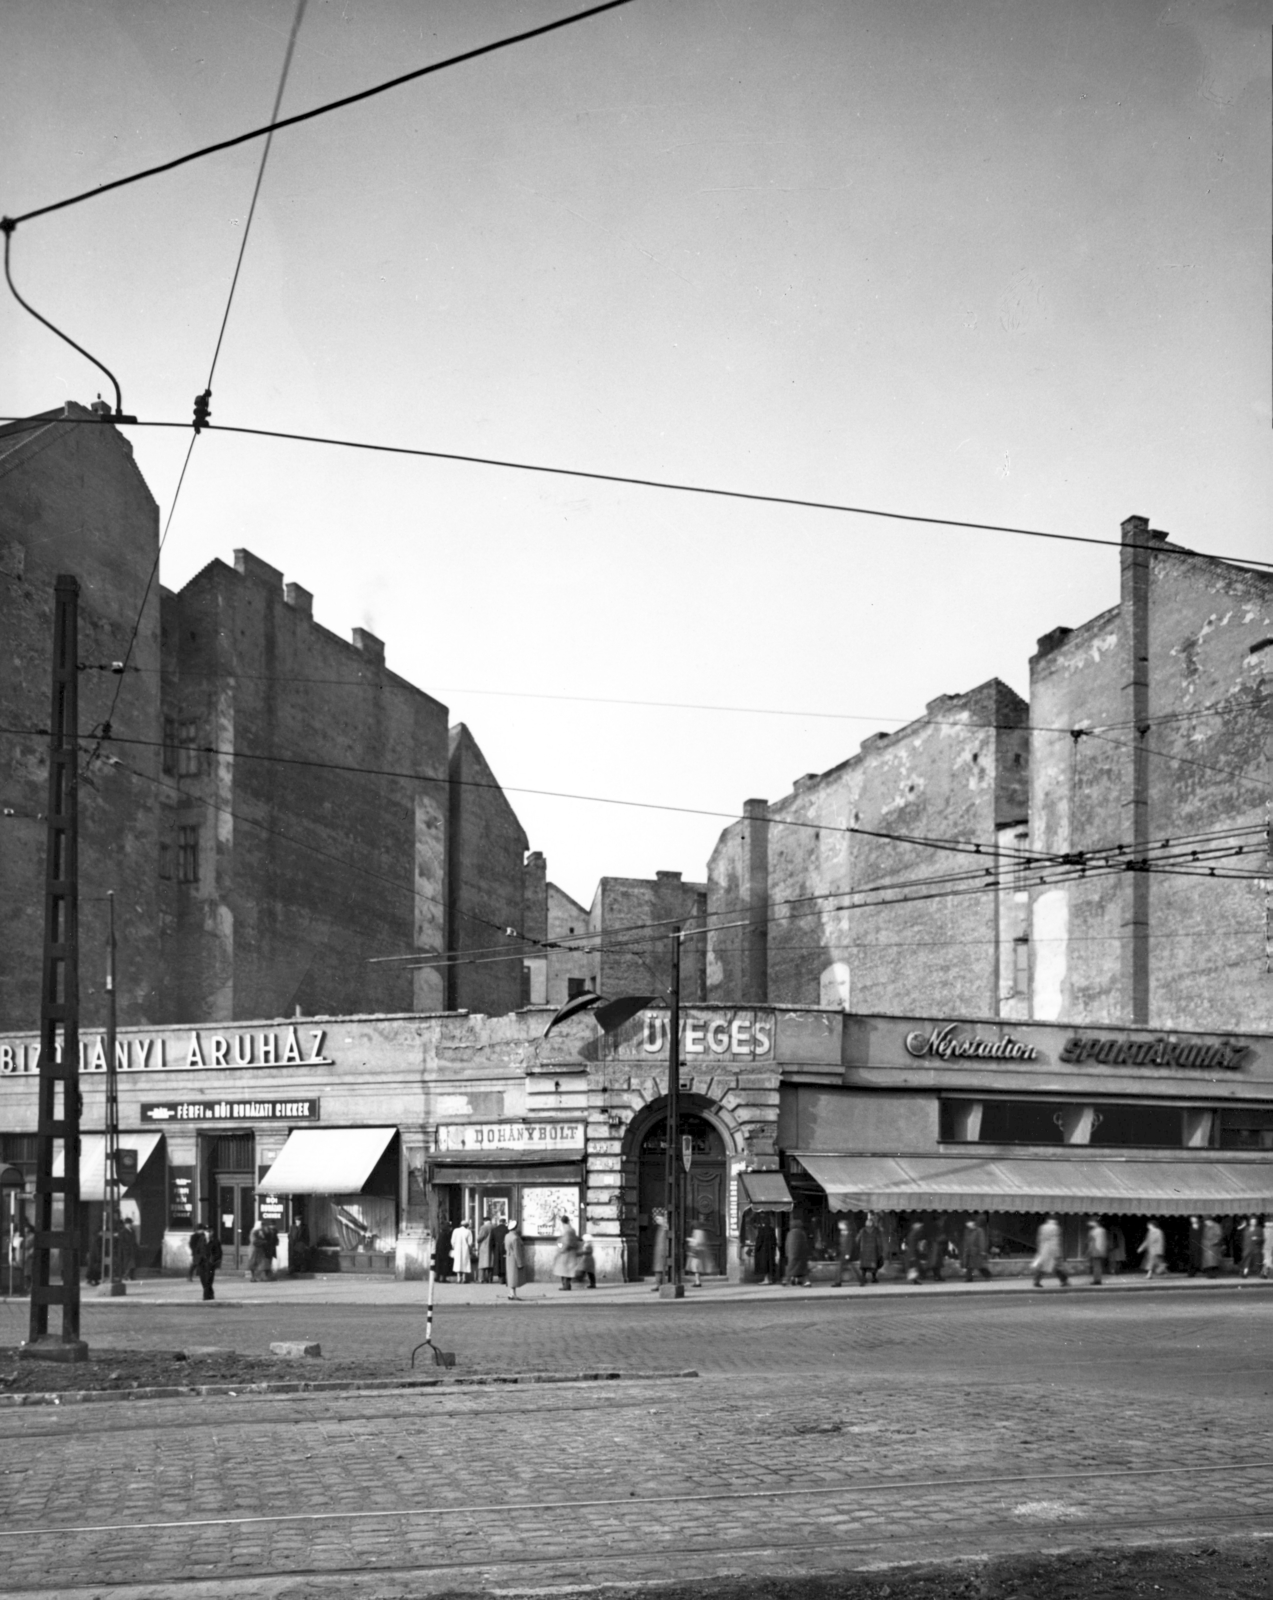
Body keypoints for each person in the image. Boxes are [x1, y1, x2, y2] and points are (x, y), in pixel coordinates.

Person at [1032, 1215, 1069, 1288]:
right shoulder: (1056, 1228)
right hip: (1052, 1249)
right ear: (1055, 1220)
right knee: (1057, 1267)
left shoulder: (1042, 1227)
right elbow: (1056, 1240)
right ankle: (1064, 1281)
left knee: (1043, 1266)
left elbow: (1039, 1239)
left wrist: (1040, 1249)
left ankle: (1036, 1281)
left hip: (1044, 1249)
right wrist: (1057, 1252)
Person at [192, 1220, 221, 1301]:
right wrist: (197, 1259)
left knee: (208, 1280)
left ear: (213, 1232)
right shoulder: (201, 1240)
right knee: (203, 1280)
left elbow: (218, 1253)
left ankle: (206, 1297)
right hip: (201, 1263)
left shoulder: (215, 1241)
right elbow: (197, 1250)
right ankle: (210, 1294)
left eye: (210, 1231)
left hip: (210, 1264)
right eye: (206, 1231)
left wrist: (213, 1260)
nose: (208, 1233)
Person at [856, 1211, 885, 1285]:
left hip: (864, 1250)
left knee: (864, 1265)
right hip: (873, 1251)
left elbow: (857, 1239)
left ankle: (863, 1277)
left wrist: (858, 1248)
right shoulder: (876, 1231)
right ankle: (874, 1278)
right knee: (873, 1265)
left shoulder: (862, 1230)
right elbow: (878, 1241)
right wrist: (880, 1250)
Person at [961, 1216, 992, 1282]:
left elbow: (981, 1240)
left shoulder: (979, 1230)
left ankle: (987, 1274)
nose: (968, 1224)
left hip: (976, 1251)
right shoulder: (967, 1231)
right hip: (969, 1251)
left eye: (969, 1223)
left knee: (978, 1265)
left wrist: (982, 1250)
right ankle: (969, 1278)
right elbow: (965, 1241)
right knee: (971, 1265)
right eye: (967, 1223)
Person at [553, 1214, 579, 1291]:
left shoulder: (567, 1230)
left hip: (566, 1254)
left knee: (565, 1270)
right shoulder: (571, 1229)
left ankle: (566, 1286)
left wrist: (560, 1249)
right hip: (570, 1253)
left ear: (562, 1222)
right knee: (566, 1270)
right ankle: (567, 1285)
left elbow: (566, 1243)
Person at [783, 1215, 810, 1286]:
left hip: (792, 1255)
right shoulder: (801, 1233)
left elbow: (787, 1244)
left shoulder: (790, 1233)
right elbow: (805, 1244)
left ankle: (787, 1279)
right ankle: (805, 1281)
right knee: (802, 1269)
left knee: (791, 1267)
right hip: (801, 1255)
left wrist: (787, 1253)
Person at [752, 1215, 778, 1284]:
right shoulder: (772, 1230)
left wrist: (756, 1249)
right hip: (771, 1251)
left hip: (763, 1251)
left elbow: (759, 1242)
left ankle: (766, 1280)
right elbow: (775, 1241)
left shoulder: (762, 1230)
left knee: (765, 1266)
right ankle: (770, 1279)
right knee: (770, 1265)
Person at [686, 1224, 712, 1288]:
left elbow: (697, 1242)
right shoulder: (701, 1232)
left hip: (697, 1252)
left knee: (696, 1267)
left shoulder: (697, 1232)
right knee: (696, 1267)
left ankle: (698, 1282)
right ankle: (697, 1281)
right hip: (699, 1251)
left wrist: (690, 1240)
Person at [831, 1216, 855, 1287]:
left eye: (840, 1224)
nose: (839, 1226)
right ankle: (861, 1280)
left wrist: (848, 1254)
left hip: (845, 1254)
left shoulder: (848, 1233)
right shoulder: (842, 1233)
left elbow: (849, 1244)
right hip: (842, 1253)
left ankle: (837, 1282)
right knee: (852, 1268)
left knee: (839, 1268)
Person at [503, 1218, 524, 1299]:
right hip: (514, 1258)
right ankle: (512, 1294)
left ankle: (511, 1293)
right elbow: (517, 1251)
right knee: (514, 1276)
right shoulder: (515, 1238)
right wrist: (520, 1263)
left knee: (511, 1275)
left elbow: (505, 1247)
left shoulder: (507, 1236)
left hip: (508, 1256)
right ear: (515, 1227)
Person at [903, 1219, 928, 1284]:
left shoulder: (913, 1234)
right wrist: (912, 1255)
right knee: (913, 1267)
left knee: (914, 1267)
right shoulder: (913, 1234)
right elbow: (912, 1245)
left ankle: (915, 1279)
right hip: (912, 1253)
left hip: (913, 1252)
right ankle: (915, 1280)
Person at [1085, 1217, 1108, 1285]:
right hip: (1101, 1249)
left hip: (1095, 1249)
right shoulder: (1103, 1230)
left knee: (1096, 1266)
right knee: (1098, 1266)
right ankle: (1098, 1279)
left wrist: (1088, 1251)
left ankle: (1097, 1280)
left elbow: (1089, 1240)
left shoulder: (1093, 1231)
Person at [650, 1208, 669, 1290]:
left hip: (663, 1251)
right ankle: (658, 1284)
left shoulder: (666, 1228)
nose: (656, 1220)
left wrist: (667, 1250)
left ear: (663, 1218)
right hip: (659, 1251)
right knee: (658, 1269)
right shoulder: (660, 1227)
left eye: (658, 1218)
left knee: (662, 1268)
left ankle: (661, 1284)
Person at [451, 1217, 473, 1284]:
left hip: (457, 1249)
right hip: (465, 1249)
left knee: (457, 1262)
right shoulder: (468, 1231)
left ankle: (458, 1278)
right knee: (464, 1262)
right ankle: (464, 1278)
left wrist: (454, 1247)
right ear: (467, 1225)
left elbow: (452, 1241)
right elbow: (470, 1242)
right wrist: (470, 1249)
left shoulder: (455, 1230)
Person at [432, 1219, 453, 1283]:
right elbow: (447, 1244)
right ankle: (443, 1278)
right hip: (444, 1252)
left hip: (439, 1252)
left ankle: (437, 1277)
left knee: (438, 1265)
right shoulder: (446, 1234)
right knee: (444, 1265)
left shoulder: (441, 1234)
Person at [489, 1214, 508, 1283]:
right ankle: (505, 1278)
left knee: (498, 1263)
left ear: (499, 1222)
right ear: (505, 1222)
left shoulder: (494, 1230)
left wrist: (492, 1248)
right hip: (505, 1247)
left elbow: (491, 1240)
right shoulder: (507, 1229)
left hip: (497, 1248)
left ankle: (500, 1278)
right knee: (504, 1262)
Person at [119, 1216, 139, 1281]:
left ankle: (131, 1276)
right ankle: (125, 1275)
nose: (130, 1225)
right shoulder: (123, 1232)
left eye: (130, 1223)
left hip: (132, 1249)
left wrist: (136, 1246)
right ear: (126, 1224)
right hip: (126, 1250)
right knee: (127, 1263)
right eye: (128, 1224)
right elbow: (122, 1241)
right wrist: (126, 1247)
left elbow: (134, 1240)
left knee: (133, 1263)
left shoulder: (132, 1231)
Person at [476, 1215, 494, 1284]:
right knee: (490, 1263)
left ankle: (481, 1279)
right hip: (491, 1247)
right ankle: (490, 1278)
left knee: (482, 1264)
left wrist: (477, 1240)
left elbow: (480, 1238)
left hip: (484, 1246)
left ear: (485, 1221)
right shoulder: (493, 1226)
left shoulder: (483, 1227)